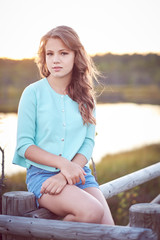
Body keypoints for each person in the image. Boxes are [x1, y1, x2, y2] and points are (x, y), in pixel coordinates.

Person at [13, 25, 114, 225]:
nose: (55, 59)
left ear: (76, 56)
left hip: (79, 173)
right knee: (91, 211)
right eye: (49, 54)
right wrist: (62, 166)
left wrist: (66, 174)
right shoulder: (32, 93)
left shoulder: (86, 97)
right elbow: (24, 146)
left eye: (63, 53)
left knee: (109, 228)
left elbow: (87, 143)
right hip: (42, 175)